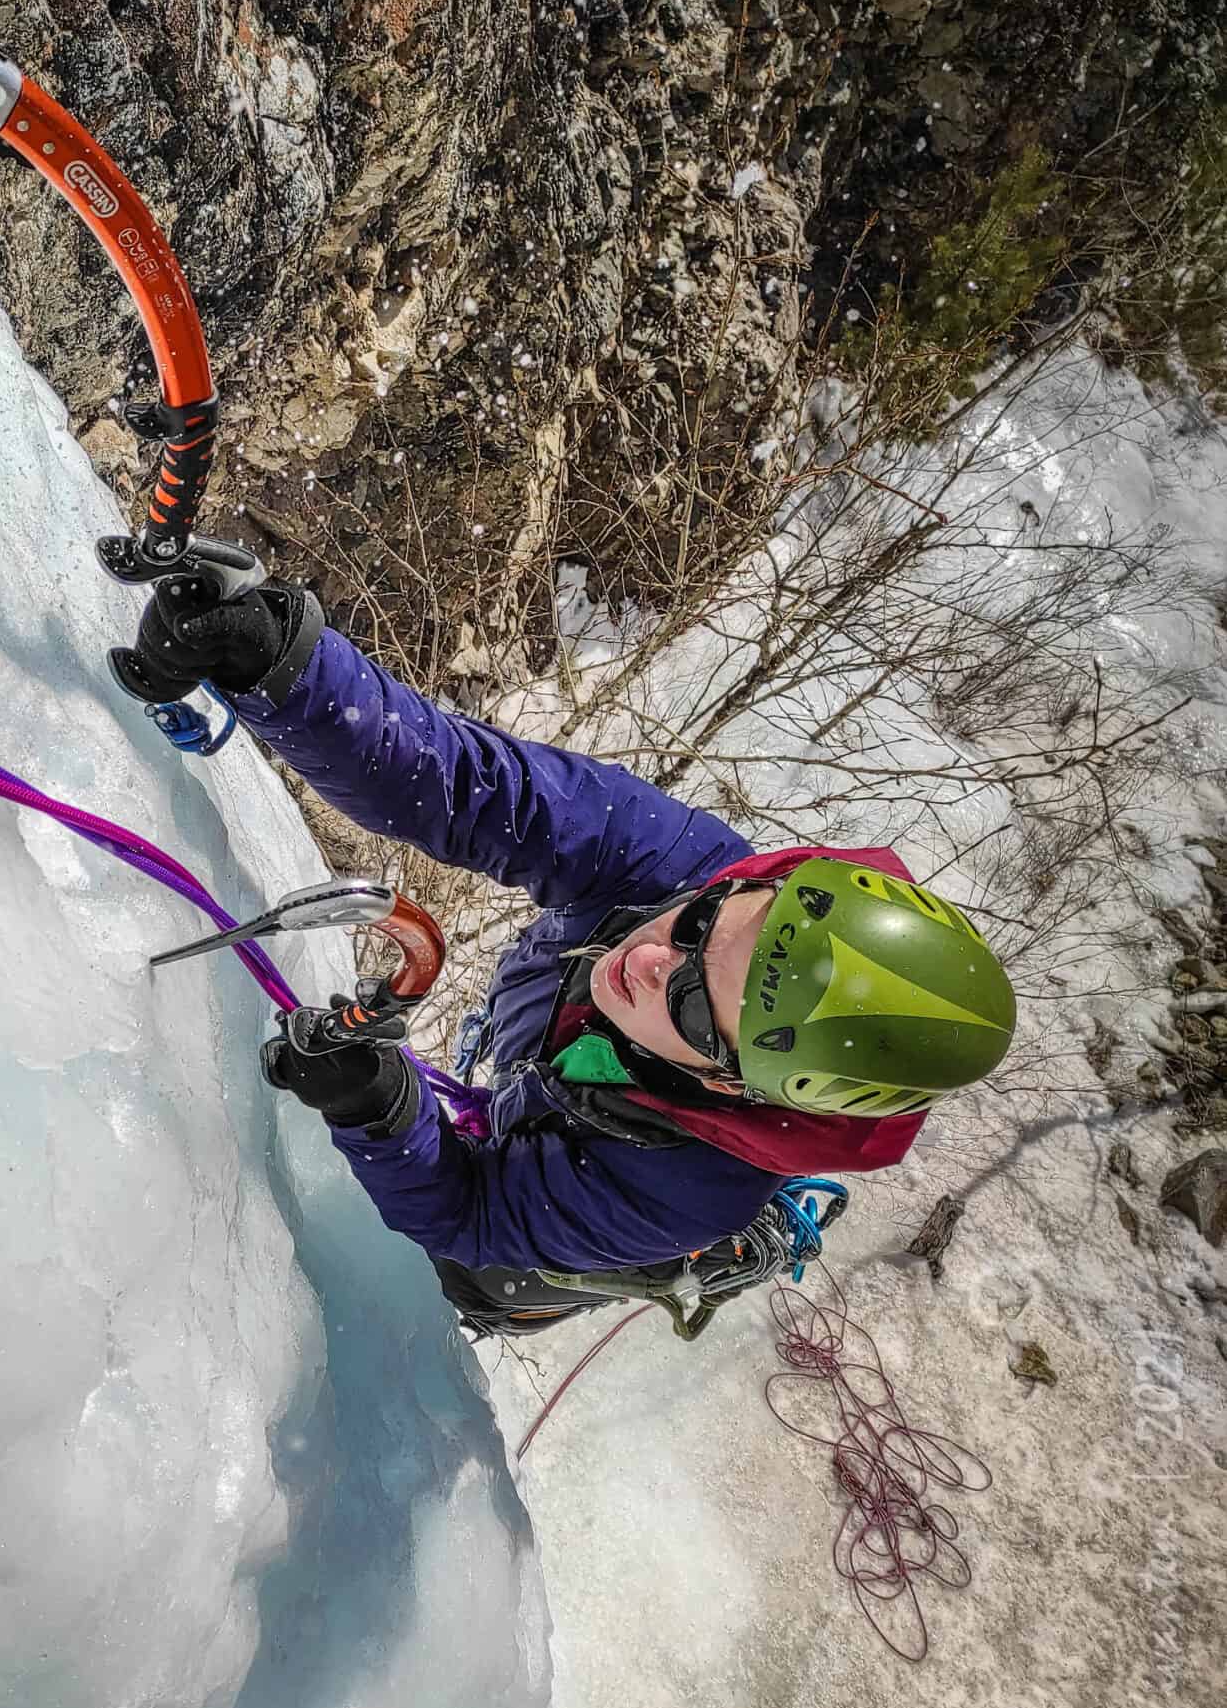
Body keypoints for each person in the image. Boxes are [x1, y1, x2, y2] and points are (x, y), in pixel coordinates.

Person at [117, 559, 1017, 1337]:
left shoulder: (688, 1185)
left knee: (482, 1286)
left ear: (734, 1085)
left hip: (546, 1230)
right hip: (550, 1066)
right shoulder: (682, 867)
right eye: (707, 923)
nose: (659, 957)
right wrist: (282, 665)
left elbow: (474, 1210)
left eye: (700, 1008)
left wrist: (379, 1112)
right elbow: (469, 787)